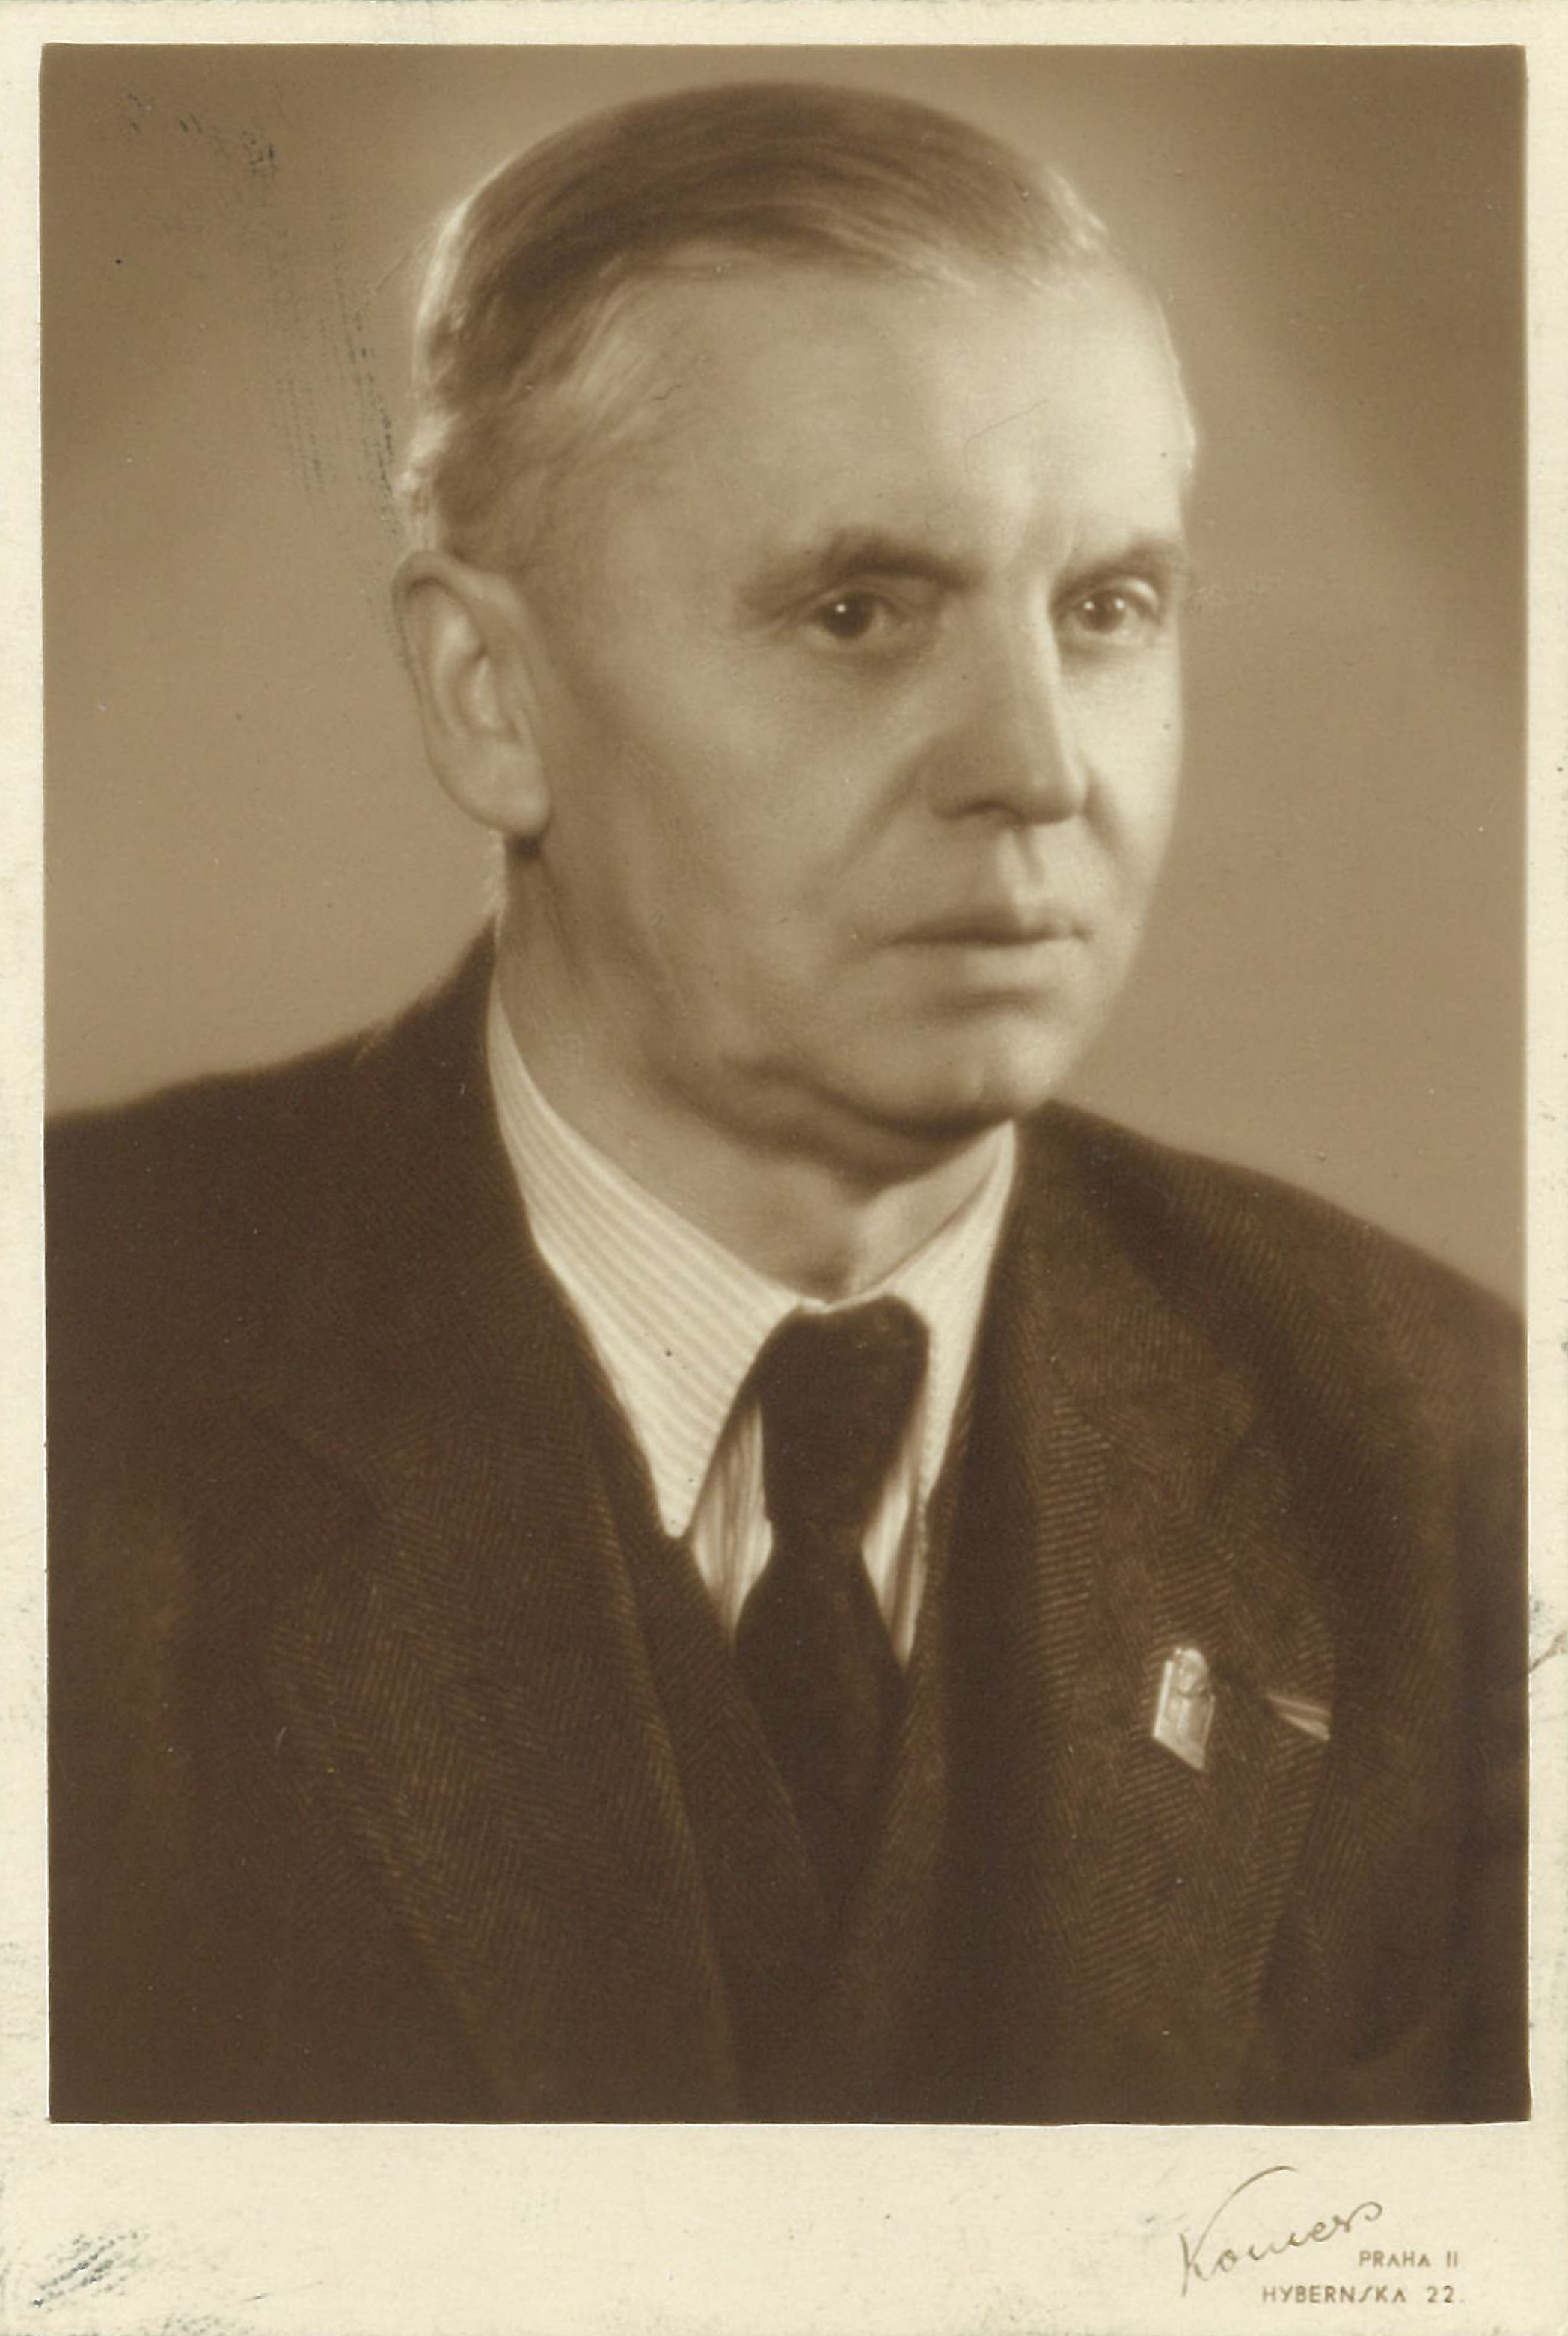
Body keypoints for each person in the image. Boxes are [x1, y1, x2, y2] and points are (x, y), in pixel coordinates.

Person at [47, 81, 1526, 2124]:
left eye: (1106, 609)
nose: (1039, 766)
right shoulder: (74, 1374)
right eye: (857, 614)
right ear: (491, 698)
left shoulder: (1442, 1460)